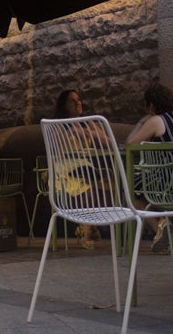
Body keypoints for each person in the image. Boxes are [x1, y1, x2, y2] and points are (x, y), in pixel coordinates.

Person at [125, 82, 173, 253]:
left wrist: (140, 122)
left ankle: (160, 224)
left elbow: (129, 144)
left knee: (129, 186)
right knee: (142, 183)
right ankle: (161, 224)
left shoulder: (156, 120)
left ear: (151, 105)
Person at [51, 88, 109, 249]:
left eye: (79, 100)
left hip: (85, 167)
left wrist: (92, 131)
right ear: (64, 105)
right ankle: (88, 230)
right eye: (73, 101)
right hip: (64, 168)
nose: (78, 103)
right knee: (88, 187)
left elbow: (108, 142)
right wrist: (72, 129)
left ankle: (86, 225)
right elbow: (55, 146)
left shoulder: (87, 122)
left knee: (107, 185)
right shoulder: (57, 125)